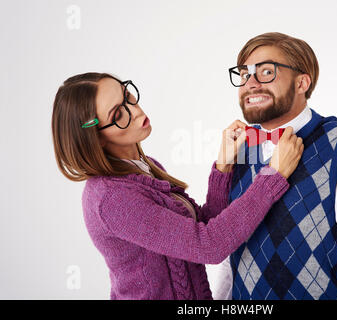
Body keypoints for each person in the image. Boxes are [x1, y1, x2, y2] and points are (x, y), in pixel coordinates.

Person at [51, 72, 304, 300]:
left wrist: (223, 166)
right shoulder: (111, 198)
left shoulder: (145, 167)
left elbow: (201, 228)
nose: (136, 110)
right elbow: (209, 246)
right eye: (118, 114)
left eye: (127, 95)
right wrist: (273, 177)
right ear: (95, 138)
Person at [215, 32, 337, 300]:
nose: (250, 83)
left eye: (266, 72)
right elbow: (227, 252)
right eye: (244, 74)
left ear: (301, 82)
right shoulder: (237, 148)